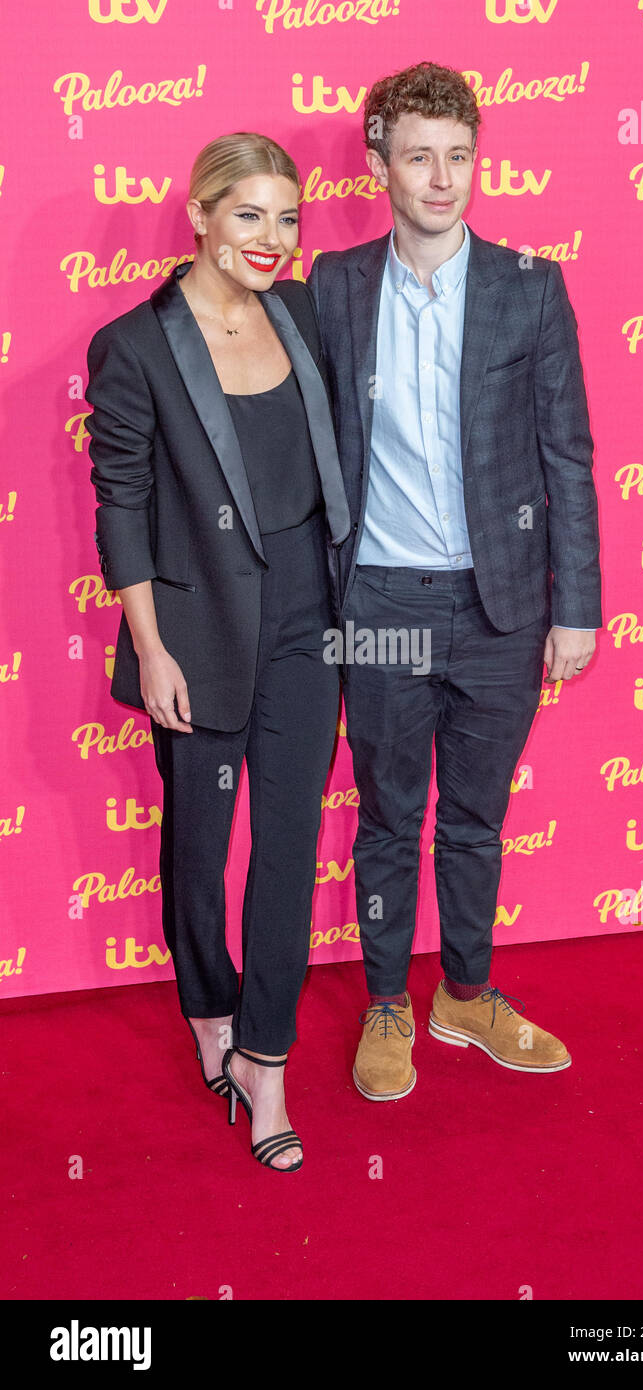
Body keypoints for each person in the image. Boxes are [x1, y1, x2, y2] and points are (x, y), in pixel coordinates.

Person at [307, 63, 602, 1101]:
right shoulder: (334, 288)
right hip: (380, 603)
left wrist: (576, 606)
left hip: (499, 608)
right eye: (420, 156)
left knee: (476, 817)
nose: (442, 178)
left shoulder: (531, 284)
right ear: (379, 163)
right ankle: (389, 999)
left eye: (459, 157)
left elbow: (567, 452)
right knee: (388, 819)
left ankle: (466, 994)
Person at [85, 132, 350, 1167]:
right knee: (203, 841)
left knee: (288, 842)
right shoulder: (137, 344)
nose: (273, 238)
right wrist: (151, 649)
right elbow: (123, 504)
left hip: (309, 617)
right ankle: (207, 1000)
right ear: (198, 215)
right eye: (249, 215)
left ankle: (265, 1059)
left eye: (288, 217)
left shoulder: (304, 315)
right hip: (195, 630)